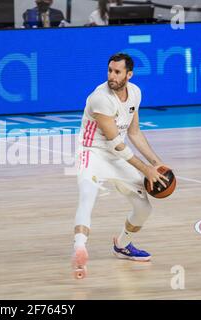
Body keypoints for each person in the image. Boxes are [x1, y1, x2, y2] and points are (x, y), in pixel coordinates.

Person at [72, 53, 171, 279]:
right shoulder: (100, 97)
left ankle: (122, 245)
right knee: (87, 196)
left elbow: (134, 133)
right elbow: (117, 143)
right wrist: (145, 169)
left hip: (117, 159)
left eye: (117, 72)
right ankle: (79, 248)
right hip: (92, 153)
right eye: (109, 70)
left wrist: (156, 163)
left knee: (144, 208)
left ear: (129, 74)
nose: (112, 76)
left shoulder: (135, 93)